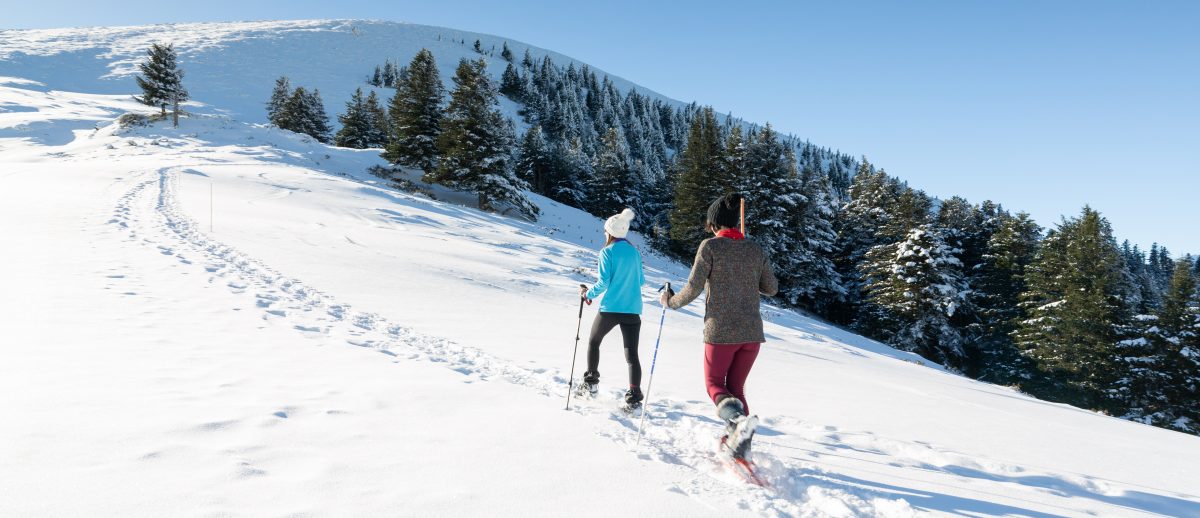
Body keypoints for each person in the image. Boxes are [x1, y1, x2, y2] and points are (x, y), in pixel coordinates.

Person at [661, 193, 778, 459]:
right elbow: (771, 288)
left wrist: (670, 302)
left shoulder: (710, 247)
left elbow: (693, 287)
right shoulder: (755, 249)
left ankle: (736, 423)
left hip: (720, 331)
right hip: (751, 335)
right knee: (736, 389)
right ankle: (741, 444)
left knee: (714, 384)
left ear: (714, 224)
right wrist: (749, 270)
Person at [578, 208, 646, 408]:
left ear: (610, 232)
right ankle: (634, 395)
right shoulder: (635, 252)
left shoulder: (606, 252)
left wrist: (587, 294)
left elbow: (604, 282)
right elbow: (641, 281)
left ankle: (591, 383)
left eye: (605, 231)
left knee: (594, 341)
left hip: (611, 308)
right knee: (632, 354)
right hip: (633, 309)